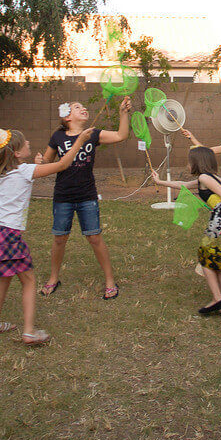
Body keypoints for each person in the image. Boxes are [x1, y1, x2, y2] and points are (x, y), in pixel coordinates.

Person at [0, 113, 93, 344]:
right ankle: (29, 332)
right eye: (25, 143)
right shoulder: (25, 170)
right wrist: (80, 140)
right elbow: (63, 164)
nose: (29, 143)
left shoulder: (7, 171)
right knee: (28, 281)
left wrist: (37, 164)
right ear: (16, 153)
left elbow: (31, 172)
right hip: (8, 234)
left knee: (4, 278)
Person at [151, 146, 221, 320]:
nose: (188, 165)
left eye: (189, 161)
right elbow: (184, 185)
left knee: (207, 258)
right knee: (220, 261)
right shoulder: (209, 178)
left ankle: (218, 298)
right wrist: (160, 182)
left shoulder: (204, 177)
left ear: (197, 162)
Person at [37, 98, 130, 299]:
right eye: (77, 107)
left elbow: (121, 135)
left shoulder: (92, 134)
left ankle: (110, 280)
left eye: (83, 106)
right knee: (60, 238)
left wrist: (123, 113)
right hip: (63, 196)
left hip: (87, 195)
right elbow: (47, 161)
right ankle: (54, 278)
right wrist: (40, 161)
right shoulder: (58, 137)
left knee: (94, 237)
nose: (84, 108)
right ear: (67, 117)